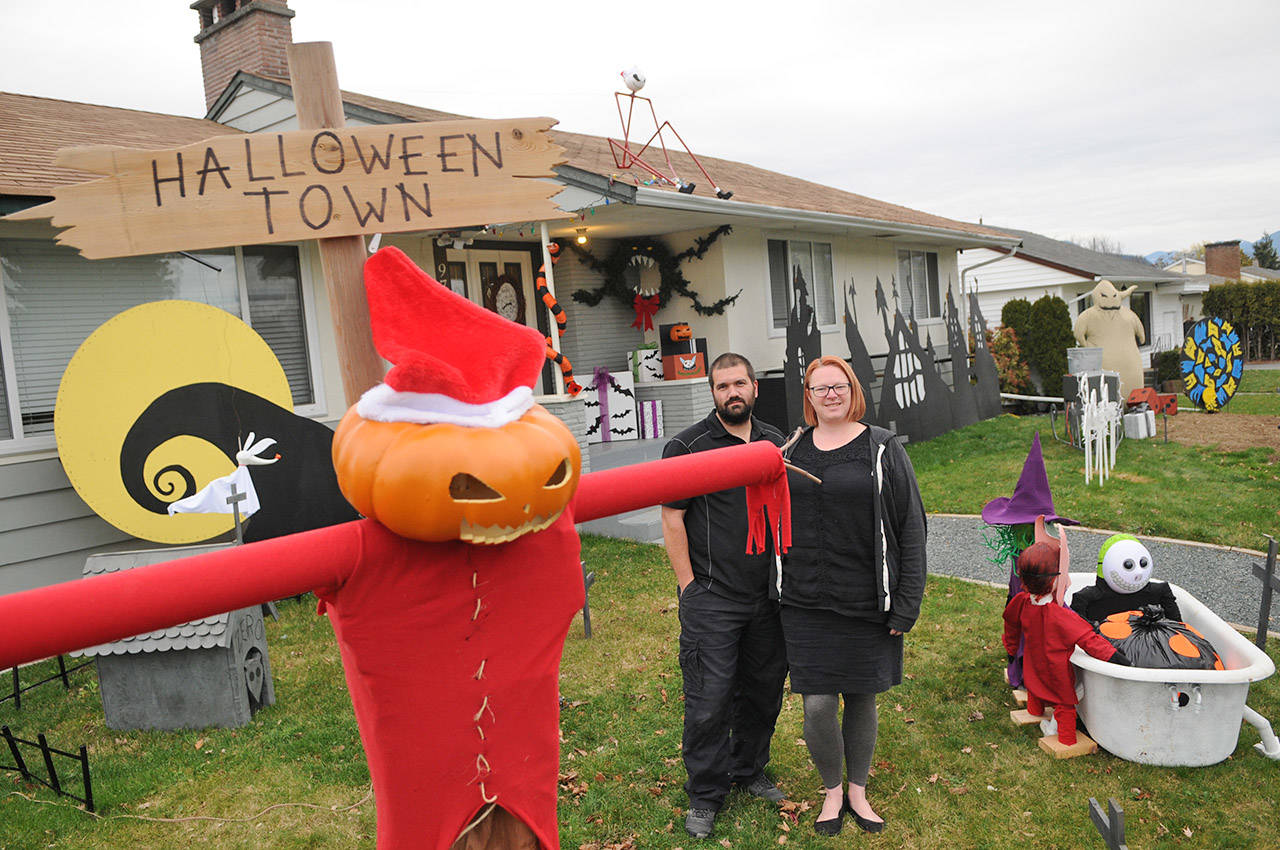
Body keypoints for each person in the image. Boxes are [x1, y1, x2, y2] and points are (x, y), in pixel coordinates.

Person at [779, 355, 926, 836]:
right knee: (817, 704)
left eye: (838, 386)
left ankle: (858, 791)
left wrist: (907, 601)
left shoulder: (881, 447)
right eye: (820, 388)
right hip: (805, 599)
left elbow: (911, 525)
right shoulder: (793, 449)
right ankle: (832, 791)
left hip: (867, 598)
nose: (830, 395)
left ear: (852, 389)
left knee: (862, 698)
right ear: (809, 396)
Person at [662, 352, 788, 839]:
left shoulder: (775, 443)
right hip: (712, 596)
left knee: (762, 691)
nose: (731, 393)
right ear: (712, 393)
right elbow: (673, 518)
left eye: (739, 384)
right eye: (721, 387)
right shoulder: (688, 446)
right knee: (709, 700)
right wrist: (689, 587)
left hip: (768, 597)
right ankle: (705, 794)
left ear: (755, 387)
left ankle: (749, 769)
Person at [1003, 539, 1130, 745]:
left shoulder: (1020, 602)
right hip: (1056, 672)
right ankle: (1067, 739)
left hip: (1032, 664)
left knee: (1035, 687)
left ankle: (1034, 710)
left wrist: (1011, 648)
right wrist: (1116, 657)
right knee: (1065, 704)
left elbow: (1010, 623)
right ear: (1054, 580)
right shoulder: (1060, 615)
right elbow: (1089, 640)